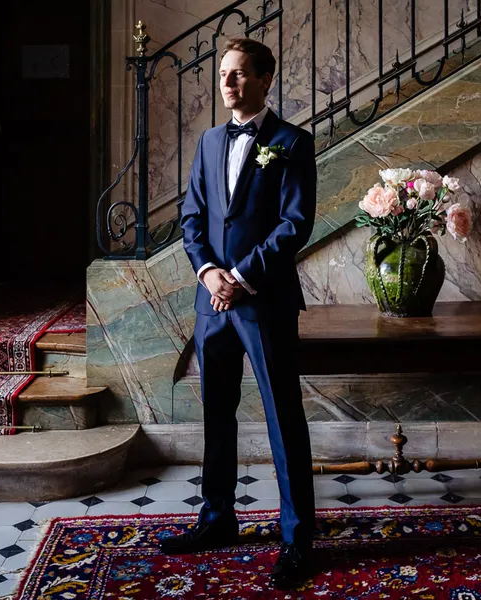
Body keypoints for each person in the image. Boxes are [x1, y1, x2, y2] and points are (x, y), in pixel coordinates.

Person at [159, 37, 317, 589]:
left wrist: (241, 278)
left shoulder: (292, 142)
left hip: (263, 300)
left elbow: (295, 224)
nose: (227, 82)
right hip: (211, 304)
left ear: (266, 79)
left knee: (282, 415)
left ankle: (298, 539)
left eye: (240, 73)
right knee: (217, 415)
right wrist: (208, 274)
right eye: (223, 73)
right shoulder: (208, 141)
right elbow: (192, 217)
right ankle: (217, 518)